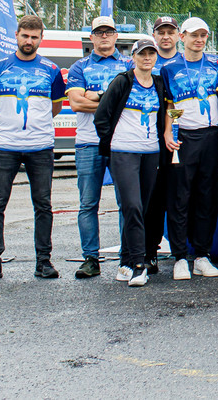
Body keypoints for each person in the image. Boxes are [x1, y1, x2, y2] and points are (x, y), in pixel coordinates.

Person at [0, 14, 66, 281]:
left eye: (34, 37)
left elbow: (55, 106)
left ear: (41, 38)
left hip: (40, 146)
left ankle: (44, 261)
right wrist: (7, 120)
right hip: (5, 146)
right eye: (25, 36)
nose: (29, 41)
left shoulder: (51, 70)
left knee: (43, 205)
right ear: (16, 36)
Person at [93, 37, 170, 286]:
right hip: (124, 152)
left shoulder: (159, 83)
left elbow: (166, 114)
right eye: (142, 54)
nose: (147, 58)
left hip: (151, 153)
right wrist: (113, 141)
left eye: (151, 54)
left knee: (142, 209)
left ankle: (125, 262)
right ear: (133, 57)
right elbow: (101, 116)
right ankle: (138, 265)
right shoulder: (123, 81)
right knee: (132, 206)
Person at [158, 16, 218, 281]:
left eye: (203, 35)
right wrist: (168, 131)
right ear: (182, 37)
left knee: (207, 197)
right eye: (193, 35)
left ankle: (202, 255)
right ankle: (179, 257)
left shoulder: (217, 64)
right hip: (183, 137)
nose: (199, 40)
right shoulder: (169, 68)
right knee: (179, 197)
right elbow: (168, 104)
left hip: (211, 135)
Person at [64, 15, 132, 279]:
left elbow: (131, 101)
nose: (104, 36)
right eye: (99, 32)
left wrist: (97, 96)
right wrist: (112, 100)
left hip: (122, 142)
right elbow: (76, 103)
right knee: (88, 203)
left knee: (126, 202)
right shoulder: (79, 67)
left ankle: (127, 256)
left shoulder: (129, 64)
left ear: (116, 36)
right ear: (91, 37)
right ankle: (90, 258)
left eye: (109, 32)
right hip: (88, 142)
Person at [144, 15, 182, 272]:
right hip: (152, 138)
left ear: (178, 35)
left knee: (181, 196)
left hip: (182, 138)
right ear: (154, 36)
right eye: (161, 32)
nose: (166, 37)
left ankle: (187, 251)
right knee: (154, 199)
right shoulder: (147, 61)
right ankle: (150, 251)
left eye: (170, 32)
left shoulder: (186, 62)